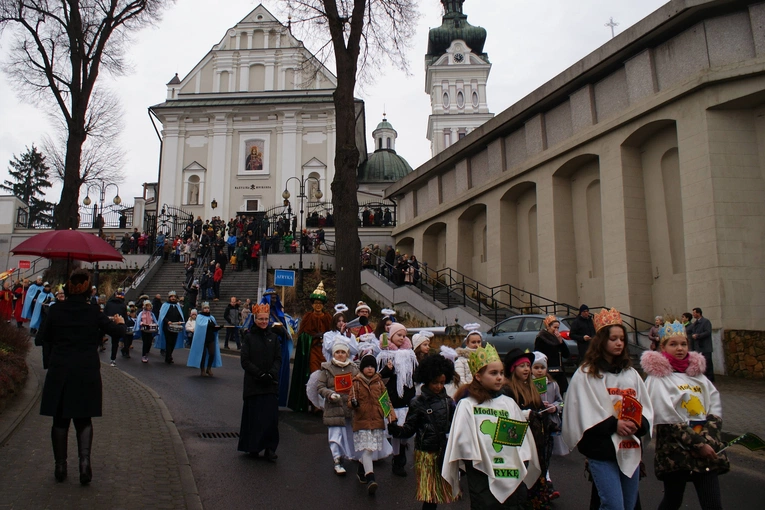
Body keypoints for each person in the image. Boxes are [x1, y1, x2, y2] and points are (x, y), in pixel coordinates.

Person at [37, 269, 126, 485]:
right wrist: (120, 322)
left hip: (60, 370)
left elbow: (40, 338)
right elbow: (117, 333)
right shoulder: (93, 312)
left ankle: (60, 466)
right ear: (88, 290)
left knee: (60, 419)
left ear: (68, 287)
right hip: (86, 371)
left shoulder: (55, 310)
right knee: (83, 418)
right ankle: (84, 464)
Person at [563, 308, 653, 510]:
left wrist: (638, 424)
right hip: (602, 450)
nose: (619, 343)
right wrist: (614, 424)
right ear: (602, 340)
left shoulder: (631, 374)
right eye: (613, 338)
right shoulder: (586, 374)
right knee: (613, 505)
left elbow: (645, 407)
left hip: (629, 447)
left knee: (629, 506)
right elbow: (582, 411)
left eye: (622, 338)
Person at [641, 321, 728, 510]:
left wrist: (707, 439)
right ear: (662, 347)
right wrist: (697, 443)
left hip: (705, 447)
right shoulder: (658, 379)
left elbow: (714, 408)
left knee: (712, 503)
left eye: (683, 344)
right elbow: (667, 417)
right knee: (673, 500)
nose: (680, 348)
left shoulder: (699, 378)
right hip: (675, 451)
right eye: (673, 344)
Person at [443, 343, 540, 508]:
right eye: (493, 373)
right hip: (482, 475)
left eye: (501, 373)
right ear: (478, 376)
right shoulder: (468, 405)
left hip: (509, 470)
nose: (499, 377)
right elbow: (462, 440)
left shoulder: (508, 403)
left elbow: (519, 439)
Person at [388, 355, 458, 510]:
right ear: (426, 380)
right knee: (430, 495)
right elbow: (409, 428)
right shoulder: (417, 403)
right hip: (426, 453)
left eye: (441, 382)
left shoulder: (448, 402)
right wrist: (396, 430)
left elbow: (454, 426)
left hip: (443, 451)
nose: (439, 386)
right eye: (435, 383)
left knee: (437, 492)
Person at [503, 348, 552, 509]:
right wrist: (526, 414)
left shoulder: (532, 388)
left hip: (536, 441)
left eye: (528, 366)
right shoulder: (508, 390)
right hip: (520, 442)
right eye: (522, 366)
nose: (526, 369)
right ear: (513, 369)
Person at [237, 304, 281, 461]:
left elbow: (278, 358)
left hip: (270, 384)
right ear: (255, 320)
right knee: (254, 417)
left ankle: (270, 448)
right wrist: (259, 374)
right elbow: (245, 361)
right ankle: (252, 447)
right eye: (260, 319)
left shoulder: (274, 338)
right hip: (254, 384)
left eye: (266, 319)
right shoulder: (248, 337)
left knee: (270, 419)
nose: (263, 322)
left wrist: (271, 373)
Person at [349, 354, 397, 495]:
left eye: (372, 367)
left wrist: (391, 416)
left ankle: (360, 470)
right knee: (368, 449)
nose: (370, 369)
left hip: (376, 419)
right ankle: (371, 478)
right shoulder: (356, 382)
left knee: (368, 449)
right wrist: (353, 403)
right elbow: (351, 400)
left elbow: (385, 400)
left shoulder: (379, 383)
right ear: (362, 368)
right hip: (362, 420)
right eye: (367, 367)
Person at [377, 322, 418, 477]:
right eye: (398, 335)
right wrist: (388, 368)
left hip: (407, 396)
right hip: (393, 397)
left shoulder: (410, 354)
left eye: (404, 335)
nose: (401, 338)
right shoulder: (386, 354)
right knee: (395, 430)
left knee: (405, 430)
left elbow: (414, 374)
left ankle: (401, 452)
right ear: (391, 336)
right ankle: (398, 460)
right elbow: (380, 376)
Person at [316, 334, 359, 475]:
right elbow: (320, 386)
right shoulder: (327, 369)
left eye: (343, 352)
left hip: (349, 406)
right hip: (334, 406)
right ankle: (337, 459)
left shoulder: (353, 368)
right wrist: (329, 394)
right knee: (335, 435)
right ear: (333, 353)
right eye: (337, 352)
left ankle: (352, 455)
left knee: (350, 433)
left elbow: (359, 385)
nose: (340, 355)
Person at [288, 282, 333, 412]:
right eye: (315, 303)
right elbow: (302, 335)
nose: (318, 305)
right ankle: (314, 403)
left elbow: (332, 333)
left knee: (326, 377)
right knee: (314, 376)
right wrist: (312, 337)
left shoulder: (328, 317)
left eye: (320, 303)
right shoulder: (308, 316)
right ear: (312, 304)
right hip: (313, 350)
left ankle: (323, 403)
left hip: (324, 352)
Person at [531, 352, 565, 501]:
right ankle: (543, 484)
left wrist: (554, 407)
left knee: (546, 454)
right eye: (536, 367)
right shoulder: (529, 385)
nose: (539, 371)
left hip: (549, 424)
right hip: (535, 424)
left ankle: (546, 483)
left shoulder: (553, 385)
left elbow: (561, 402)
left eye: (542, 368)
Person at [533, 314, 570, 393]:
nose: (556, 330)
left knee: (560, 393)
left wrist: (561, 342)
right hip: (548, 370)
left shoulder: (557, 338)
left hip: (559, 371)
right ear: (548, 327)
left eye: (558, 328)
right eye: (554, 327)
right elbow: (538, 355)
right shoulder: (541, 338)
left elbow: (566, 354)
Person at [187, 302, 222, 377]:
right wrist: (208, 325)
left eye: (208, 308)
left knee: (212, 353)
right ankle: (202, 369)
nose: (207, 310)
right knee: (202, 354)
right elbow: (200, 326)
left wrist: (218, 327)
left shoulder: (211, 318)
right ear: (202, 309)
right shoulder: (199, 317)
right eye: (205, 308)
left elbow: (214, 328)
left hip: (210, 338)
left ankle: (208, 368)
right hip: (202, 339)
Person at [155, 290, 185, 364]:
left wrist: (180, 321)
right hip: (167, 326)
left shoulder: (177, 306)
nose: (173, 298)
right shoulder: (165, 305)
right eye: (171, 297)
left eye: (174, 297)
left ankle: (169, 354)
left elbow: (180, 316)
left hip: (175, 326)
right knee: (169, 341)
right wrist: (167, 321)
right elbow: (162, 315)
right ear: (169, 298)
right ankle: (168, 357)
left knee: (173, 342)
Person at [103, 289, 128, 367]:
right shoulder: (123, 305)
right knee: (115, 343)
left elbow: (104, 313)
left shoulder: (109, 303)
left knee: (100, 335)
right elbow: (125, 317)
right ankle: (112, 360)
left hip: (107, 323)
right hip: (117, 324)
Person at [690, 307, 714, 382]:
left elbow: (707, 332)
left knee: (707, 362)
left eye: (694, 312)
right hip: (698, 346)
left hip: (705, 346)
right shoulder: (695, 323)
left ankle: (710, 377)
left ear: (698, 313)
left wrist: (698, 335)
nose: (693, 314)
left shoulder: (706, 322)